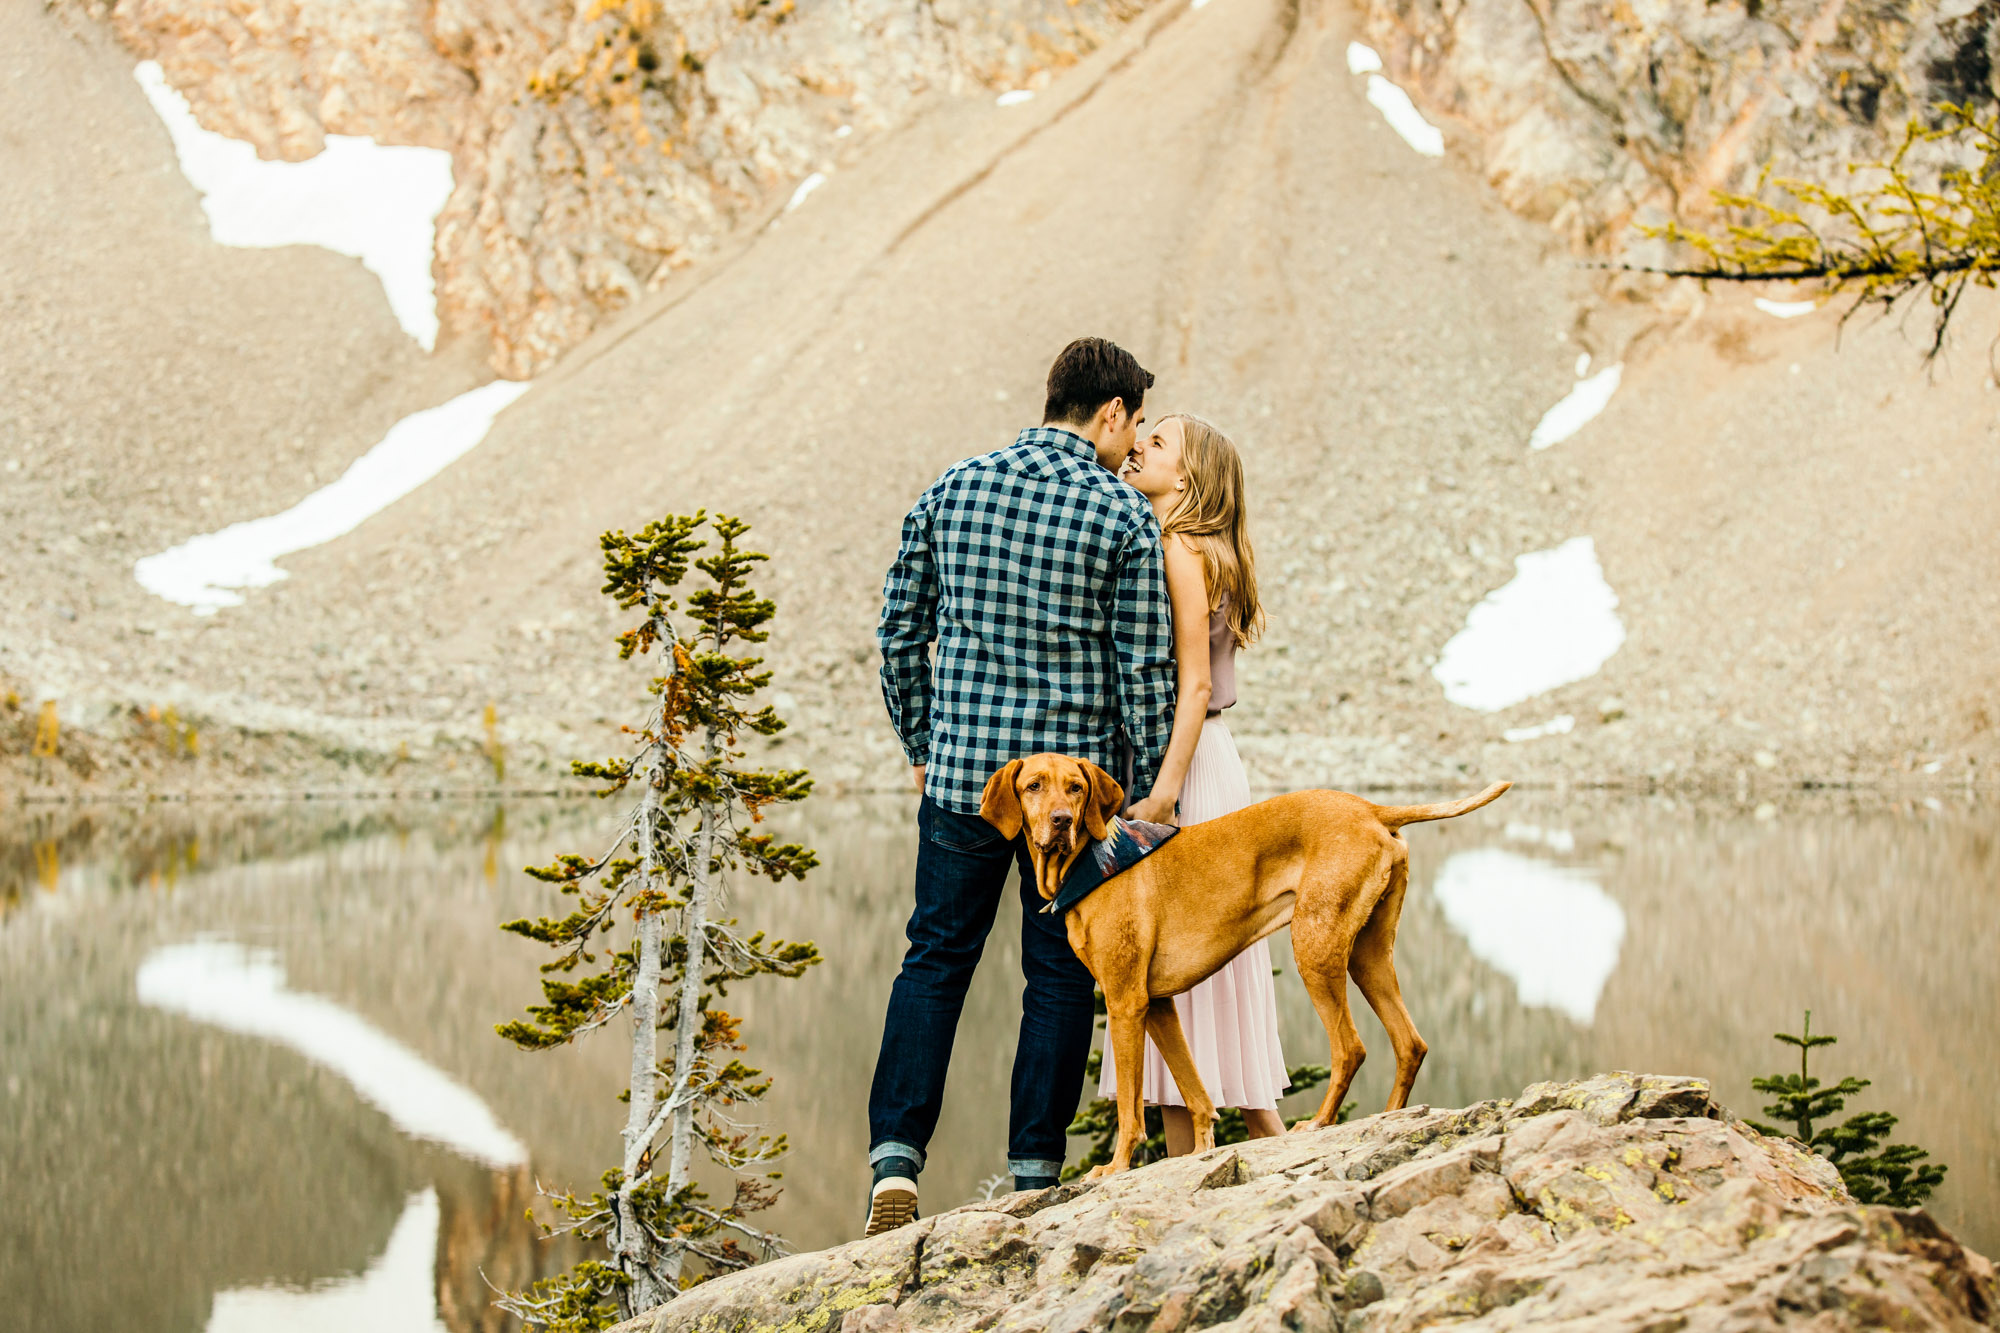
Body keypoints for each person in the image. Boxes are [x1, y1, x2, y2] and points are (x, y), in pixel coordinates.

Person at [866, 337, 1176, 1235]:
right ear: (1111, 413)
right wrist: (1147, 792)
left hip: (966, 781)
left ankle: (896, 1164)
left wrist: (923, 739)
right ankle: (1035, 1173)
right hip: (1072, 806)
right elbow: (1145, 671)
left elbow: (897, 632)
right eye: (1134, 426)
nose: (1132, 445)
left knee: (935, 958)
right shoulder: (1119, 516)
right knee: (1057, 981)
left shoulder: (953, 486)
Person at [1107, 413, 1289, 1153]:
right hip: (1217, 755)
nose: (1139, 446)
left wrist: (1161, 793)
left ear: (1186, 478)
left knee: (1183, 956)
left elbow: (1192, 685)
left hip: (1191, 764)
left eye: (1159, 444)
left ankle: (1194, 1164)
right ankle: (1256, 1143)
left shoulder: (1180, 548)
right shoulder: (1214, 548)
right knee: (1215, 954)